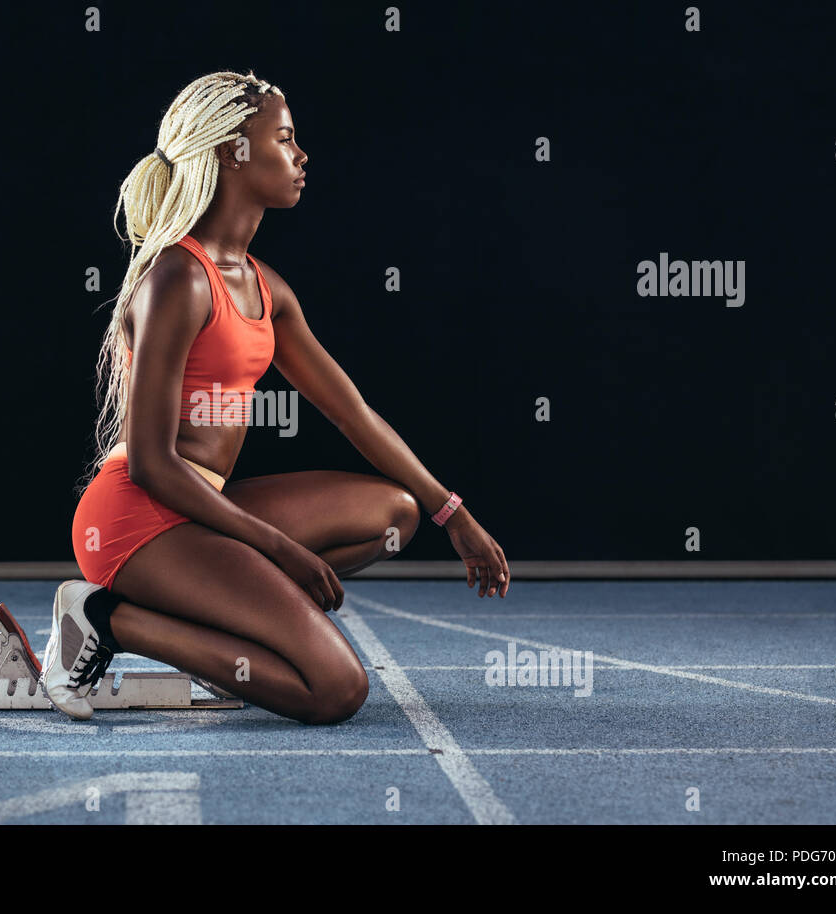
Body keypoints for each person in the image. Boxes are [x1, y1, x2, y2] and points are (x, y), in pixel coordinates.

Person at [41, 70, 509, 725]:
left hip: (206, 510)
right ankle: (108, 620)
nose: (301, 155)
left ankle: (227, 645)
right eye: (284, 139)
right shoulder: (179, 277)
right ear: (234, 152)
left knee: (395, 517)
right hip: (139, 517)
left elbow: (353, 412)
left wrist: (450, 513)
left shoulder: (268, 287)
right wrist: (279, 548)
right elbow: (150, 463)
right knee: (337, 691)